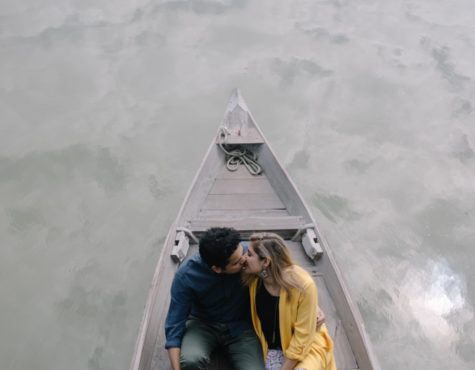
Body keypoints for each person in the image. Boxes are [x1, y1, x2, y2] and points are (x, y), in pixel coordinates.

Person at [164, 227, 265, 370]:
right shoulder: (186, 276)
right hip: (203, 324)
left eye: (243, 252)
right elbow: (175, 323)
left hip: (241, 326)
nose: (244, 260)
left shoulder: (248, 258)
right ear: (217, 268)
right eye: (236, 263)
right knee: (190, 361)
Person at [241, 232, 337, 370]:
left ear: (266, 262)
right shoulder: (254, 279)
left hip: (307, 344)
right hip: (271, 346)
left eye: (249, 255)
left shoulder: (303, 285)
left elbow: (303, 337)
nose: (244, 258)